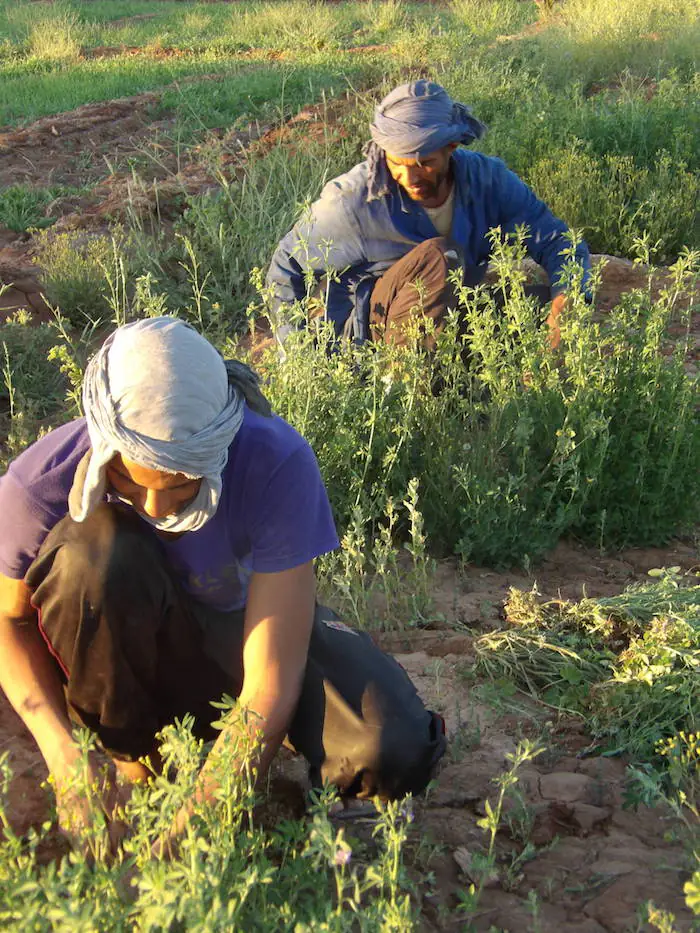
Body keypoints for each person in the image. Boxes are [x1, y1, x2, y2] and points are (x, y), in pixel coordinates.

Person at [0, 317, 445, 851]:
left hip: (237, 635)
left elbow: (268, 685)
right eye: (126, 480)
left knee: (389, 745)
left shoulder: (274, 461)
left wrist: (201, 818)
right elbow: (7, 619)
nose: (157, 508)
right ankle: (134, 758)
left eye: (182, 484)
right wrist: (66, 756)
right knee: (89, 556)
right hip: (118, 661)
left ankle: (282, 788)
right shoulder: (40, 482)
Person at [267, 80, 591, 351]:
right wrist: (297, 353)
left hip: (450, 311)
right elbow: (286, 264)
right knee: (437, 257)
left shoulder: (487, 180)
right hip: (374, 335)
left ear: (451, 147)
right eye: (398, 164)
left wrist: (565, 306)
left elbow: (556, 241)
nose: (410, 178)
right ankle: (416, 392)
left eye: (425, 162)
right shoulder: (352, 201)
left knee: (533, 307)